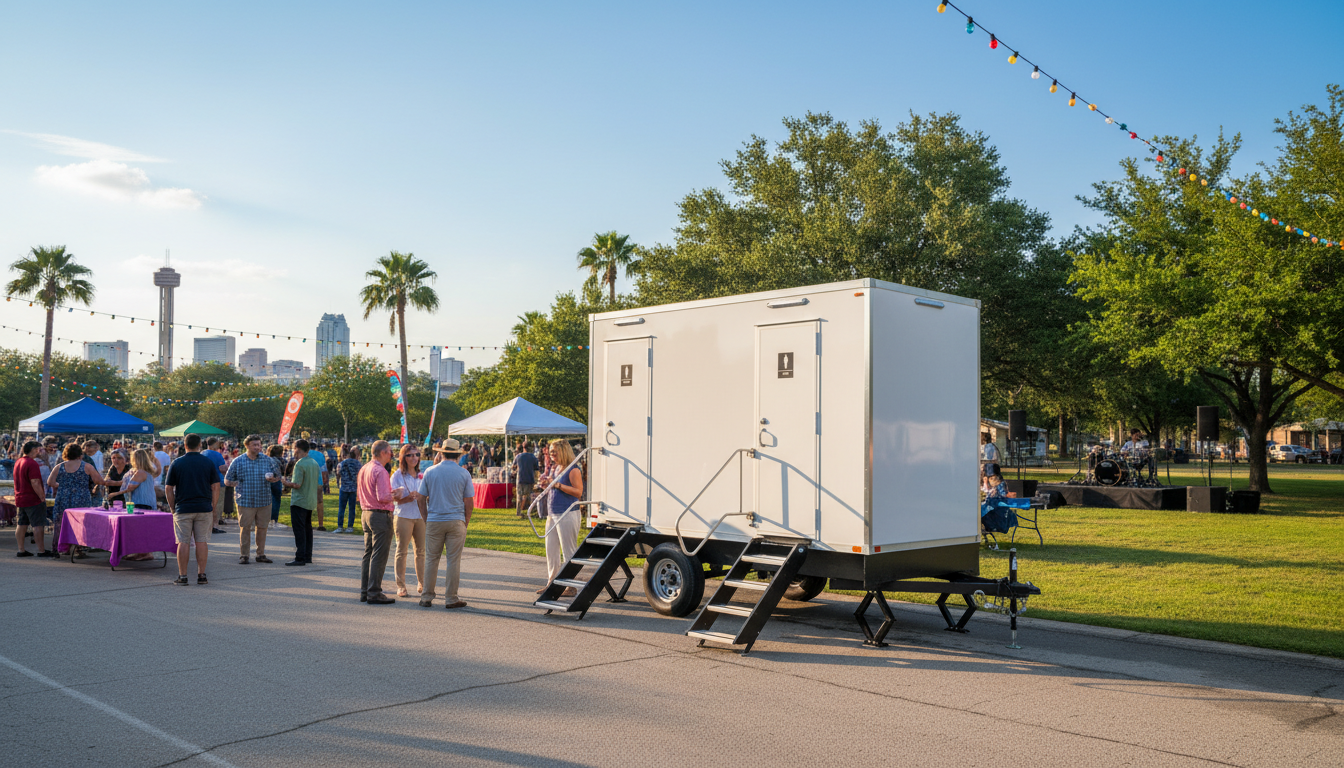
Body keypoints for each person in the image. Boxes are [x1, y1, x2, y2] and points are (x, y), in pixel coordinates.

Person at [418, 439, 473, 609]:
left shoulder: (430, 471)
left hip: (434, 519)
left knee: (431, 559)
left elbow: (420, 498)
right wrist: (465, 522)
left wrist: (426, 518)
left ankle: (426, 595)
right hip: (456, 519)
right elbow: (469, 502)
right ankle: (451, 597)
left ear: (441, 453)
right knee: (453, 560)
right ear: (457, 455)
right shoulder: (463, 473)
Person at [165, 434, 218, 585]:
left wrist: (172, 507)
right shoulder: (208, 462)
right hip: (203, 506)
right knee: (202, 541)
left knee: (183, 542)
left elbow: (168, 488)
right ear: (200, 445)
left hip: (183, 507)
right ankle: (202, 575)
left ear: (184, 445)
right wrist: (213, 505)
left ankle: (183, 576)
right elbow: (215, 487)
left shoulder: (177, 463)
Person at [49, 442, 118, 558]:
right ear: (80, 454)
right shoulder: (86, 466)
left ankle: (58, 548)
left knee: (60, 523)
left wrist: (61, 486)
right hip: (81, 497)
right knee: (80, 523)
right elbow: (98, 481)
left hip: (63, 497)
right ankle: (78, 549)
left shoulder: (59, 466)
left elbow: (50, 482)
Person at [538, 440, 583, 595]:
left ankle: (570, 586)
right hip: (553, 512)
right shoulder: (556, 468)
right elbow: (554, 486)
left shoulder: (573, 469)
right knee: (551, 550)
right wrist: (546, 484)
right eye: (550, 452)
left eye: (554, 452)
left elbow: (578, 493)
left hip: (568, 513)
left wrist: (557, 485)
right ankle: (552, 583)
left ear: (563, 451)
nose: (552, 455)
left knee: (568, 550)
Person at [223, 435, 277, 565]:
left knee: (262, 527)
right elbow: (227, 479)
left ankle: (261, 554)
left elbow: (278, 476)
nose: (258, 447)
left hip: (264, 500)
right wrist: (235, 484)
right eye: (255, 445)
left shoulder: (268, 460)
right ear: (247, 446)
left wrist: (273, 479)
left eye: (259, 445)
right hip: (245, 501)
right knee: (245, 528)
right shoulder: (238, 461)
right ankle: (244, 555)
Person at [356, 440, 396, 604]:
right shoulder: (380, 471)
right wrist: (397, 494)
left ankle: (366, 590)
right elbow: (383, 497)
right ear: (384, 452)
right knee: (379, 555)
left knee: (368, 553)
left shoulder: (364, 468)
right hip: (379, 514)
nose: (391, 454)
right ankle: (374, 591)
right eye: (390, 451)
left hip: (366, 512)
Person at [390, 444, 425, 598]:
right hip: (403, 515)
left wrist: (423, 497)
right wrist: (406, 498)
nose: (414, 458)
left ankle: (422, 583)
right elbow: (392, 500)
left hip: (421, 516)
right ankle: (401, 586)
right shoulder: (397, 476)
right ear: (403, 457)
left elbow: (429, 495)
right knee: (401, 551)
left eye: (416, 454)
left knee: (421, 551)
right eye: (410, 455)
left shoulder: (422, 475)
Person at [283, 439, 322, 566]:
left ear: (298, 450)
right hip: (310, 500)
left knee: (299, 530)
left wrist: (285, 482)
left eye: (294, 449)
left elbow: (297, 484)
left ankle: (300, 557)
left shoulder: (300, 464)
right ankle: (307, 555)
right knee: (307, 529)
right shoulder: (314, 463)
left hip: (299, 501)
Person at [13, 441, 50, 557]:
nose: (40, 451)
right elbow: (35, 482)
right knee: (38, 524)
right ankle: (41, 550)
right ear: (33, 449)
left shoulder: (18, 461)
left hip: (20, 497)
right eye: (38, 449)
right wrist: (41, 496)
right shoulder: (32, 463)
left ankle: (21, 549)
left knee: (21, 523)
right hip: (32, 498)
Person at [202, 437, 227, 533]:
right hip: (218, 481)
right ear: (215, 444)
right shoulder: (217, 455)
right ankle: (214, 525)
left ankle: (207, 524)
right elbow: (222, 469)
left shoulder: (202, 453)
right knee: (217, 504)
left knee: (208, 503)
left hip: (205, 482)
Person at [336, 446, 361, 533]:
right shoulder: (358, 464)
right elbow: (360, 475)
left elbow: (338, 473)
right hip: (353, 488)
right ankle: (350, 526)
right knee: (352, 509)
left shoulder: (342, 463)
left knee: (341, 508)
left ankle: (340, 526)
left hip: (344, 487)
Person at [513, 440, 539, 518]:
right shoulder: (533, 457)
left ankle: (519, 512)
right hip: (529, 478)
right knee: (528, 496)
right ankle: (530, 511)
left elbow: (513, 466)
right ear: (530, 447)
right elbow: (536, 469)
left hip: (520, 478)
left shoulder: (518, 456)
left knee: (519, 496)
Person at [266, 444, 286, 530]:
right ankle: (274, 519)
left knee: (268, 500)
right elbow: (285, 471)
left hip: (268, 480)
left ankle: (267, 518)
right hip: (277, 480)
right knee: (277, 500)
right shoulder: (282, 460)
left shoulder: (267, 460)